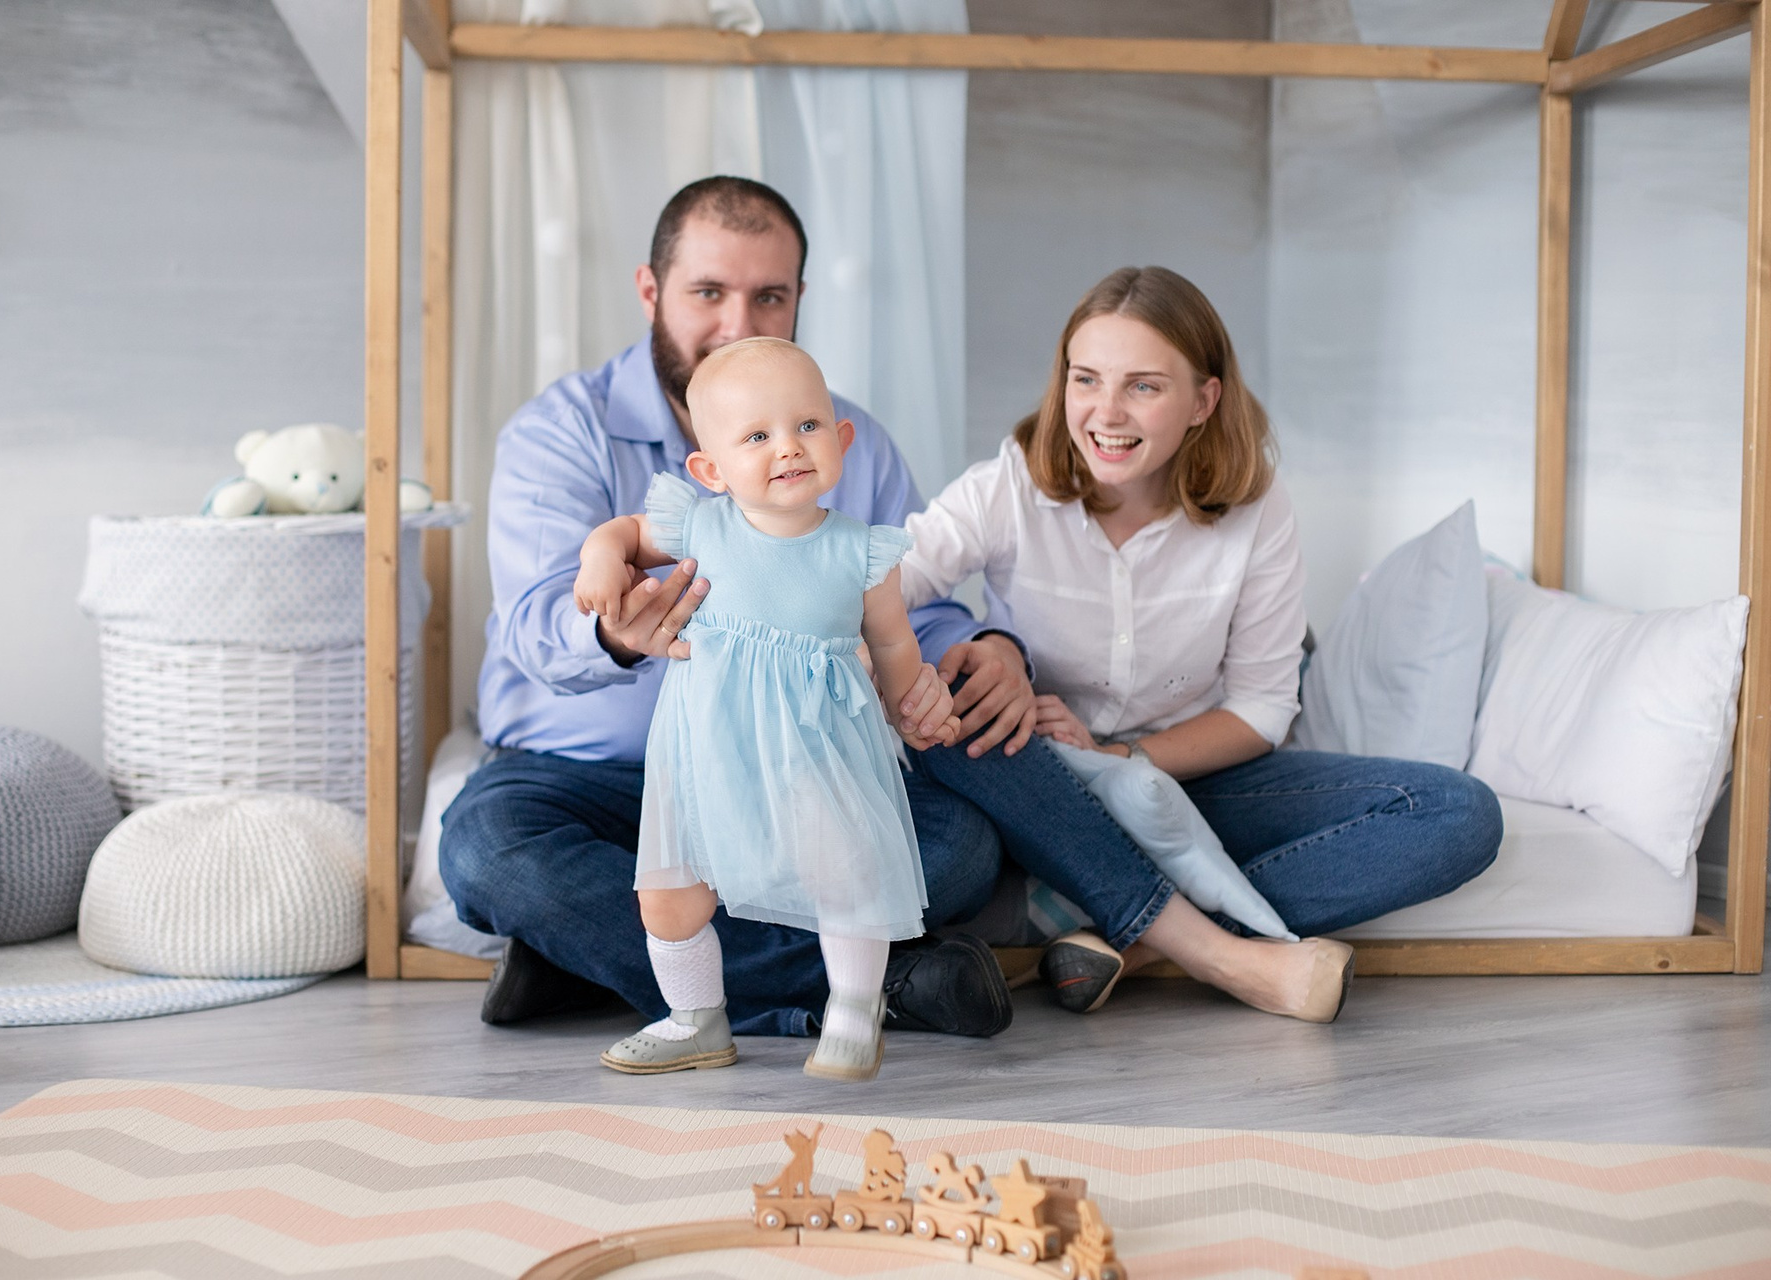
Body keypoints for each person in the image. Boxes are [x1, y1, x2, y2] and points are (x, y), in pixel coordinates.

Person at [440, 176, 1027, 1041]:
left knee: (961, 847)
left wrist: (987, 646)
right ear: (651, 290)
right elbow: (535, 626)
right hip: (588, 777)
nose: (739, 324)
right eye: (709, 292)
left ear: (800, 299)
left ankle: (592, 959)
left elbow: (907, 604)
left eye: (770, 297)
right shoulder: (561, 429)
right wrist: (614, 632)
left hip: (797, 772)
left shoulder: (840, 440)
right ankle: (884, 985)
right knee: (489, 853)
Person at [901, 266, 1503, 1022]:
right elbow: (888, 581)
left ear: (1203, 401)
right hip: (1040, 788)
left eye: (1143, 386)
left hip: (1182, 783)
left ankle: (1122, 933)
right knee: (951, 693)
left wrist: (1121, 759)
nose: (1106, 412)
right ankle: (1216, 951)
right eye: (1086, 380)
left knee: (1455, 813)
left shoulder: (1257, 509)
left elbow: (1262, 710)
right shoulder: (1009, 486)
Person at [574, 337, 958, 1080]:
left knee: (846, 876)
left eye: (807, 426)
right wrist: (599, 558)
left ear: (841, 438)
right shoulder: (697, 525)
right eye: (757, 436)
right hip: (705, 751)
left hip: (815, 746)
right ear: (711, 470)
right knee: (668, 897)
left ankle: (854, 1010)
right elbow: (621, 533)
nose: (788, 447)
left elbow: (893, 643)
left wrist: (909, 704)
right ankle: (695, 1018)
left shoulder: (860, 552)